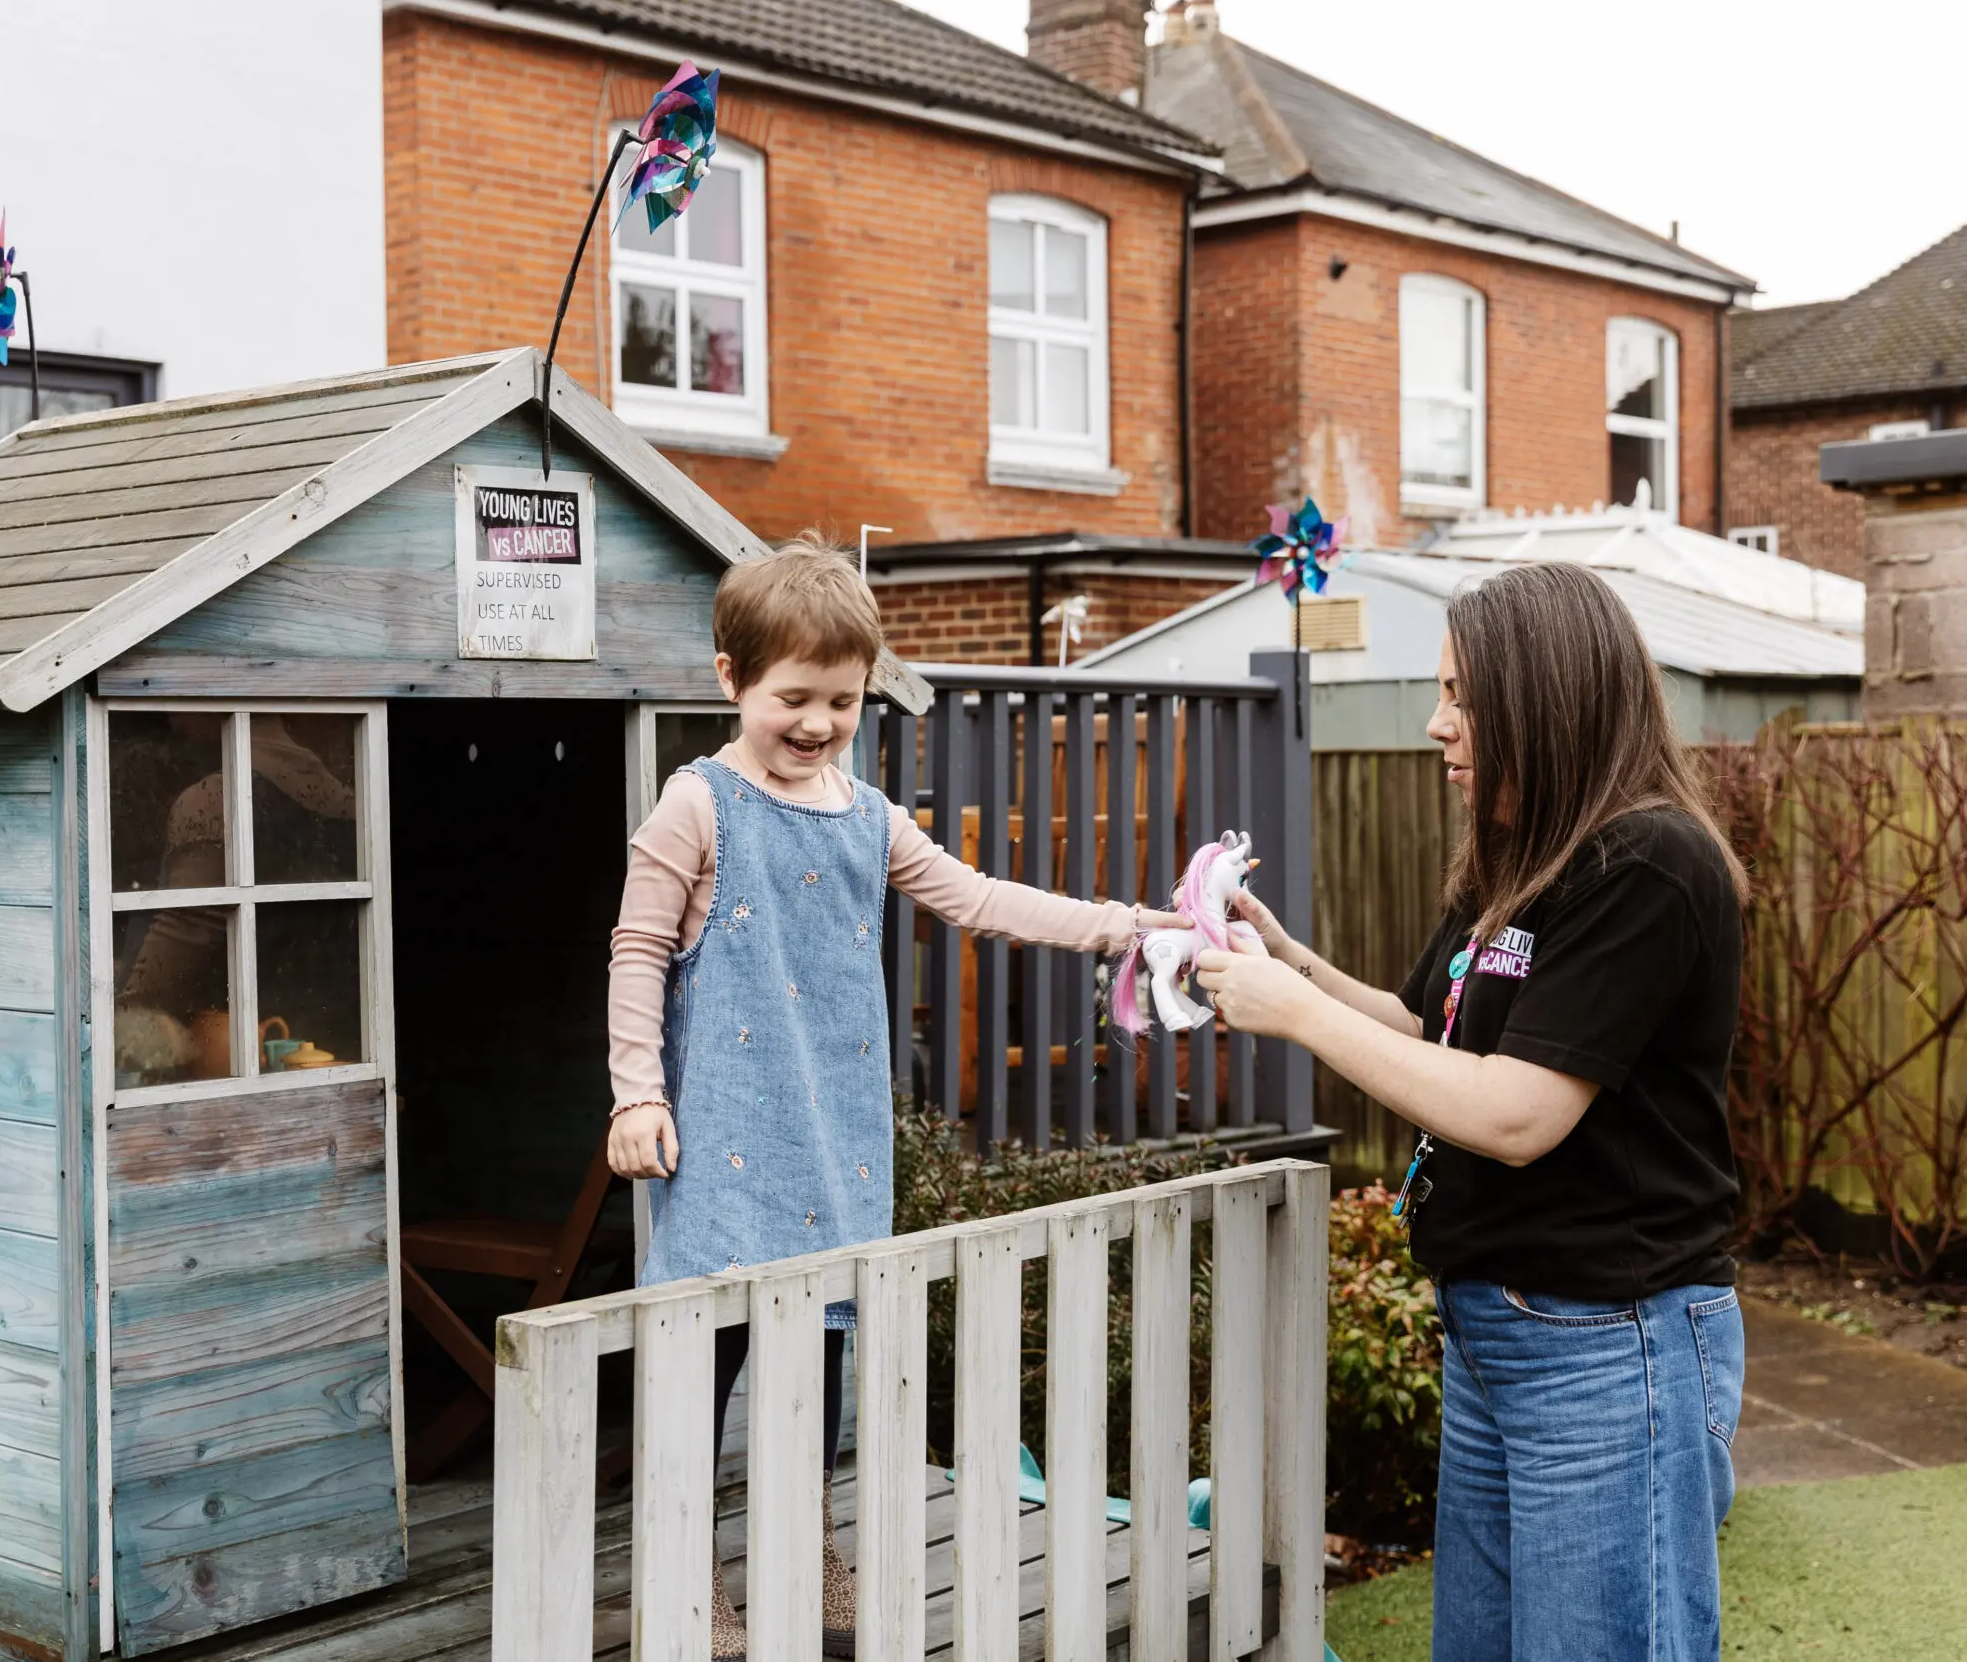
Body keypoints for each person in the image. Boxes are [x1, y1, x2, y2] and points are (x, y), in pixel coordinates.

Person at [607, 534, 1180, 1662]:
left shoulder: (867, 814)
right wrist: (636, 1095)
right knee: (700, 1361)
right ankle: (682, 1568)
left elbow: (978, 898)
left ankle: (802, 1538)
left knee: (817, 1358)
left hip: (834, 1131)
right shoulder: (696, 806)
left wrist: (1124, 924)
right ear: (730, 678)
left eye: (841, 699)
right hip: (720, 1134)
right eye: (792, 698)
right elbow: (633, 952)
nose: (817, 722)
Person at [1193, 561, 1749, 1662]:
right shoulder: (1519, 864)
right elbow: (1421, 1031)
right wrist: (1289, 963)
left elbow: (1513, 1113)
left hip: (1607, 1338)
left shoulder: (1648, 864)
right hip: (1496, 1328)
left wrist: (1296, 1016)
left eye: (1462, 698)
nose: (1435, 723)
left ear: (1545, 704)